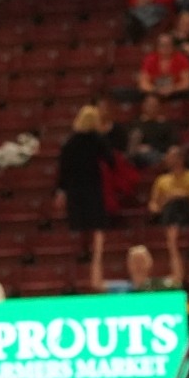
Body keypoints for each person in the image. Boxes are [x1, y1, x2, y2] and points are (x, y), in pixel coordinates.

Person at [55, 105, 112, 269]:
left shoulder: (70, 142)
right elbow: (110, 160)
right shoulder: (99, 140)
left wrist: (61, 190)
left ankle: (82, 251)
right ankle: (96, 252)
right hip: (93, 185)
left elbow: (63, 169)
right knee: (95, 222)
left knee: (80, 223)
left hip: (75, 188)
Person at [138, 34, 189, 100]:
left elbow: (187, 83)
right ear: (157, 47)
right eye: (162, 45)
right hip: (155, 93)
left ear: (173, 46)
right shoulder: (149, 60)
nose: (165, 48)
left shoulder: (182, 59)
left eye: (168, 45)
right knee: (150, 99)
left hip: (177, 93)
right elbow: (143, 84)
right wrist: (156, 89)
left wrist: (172, 89)